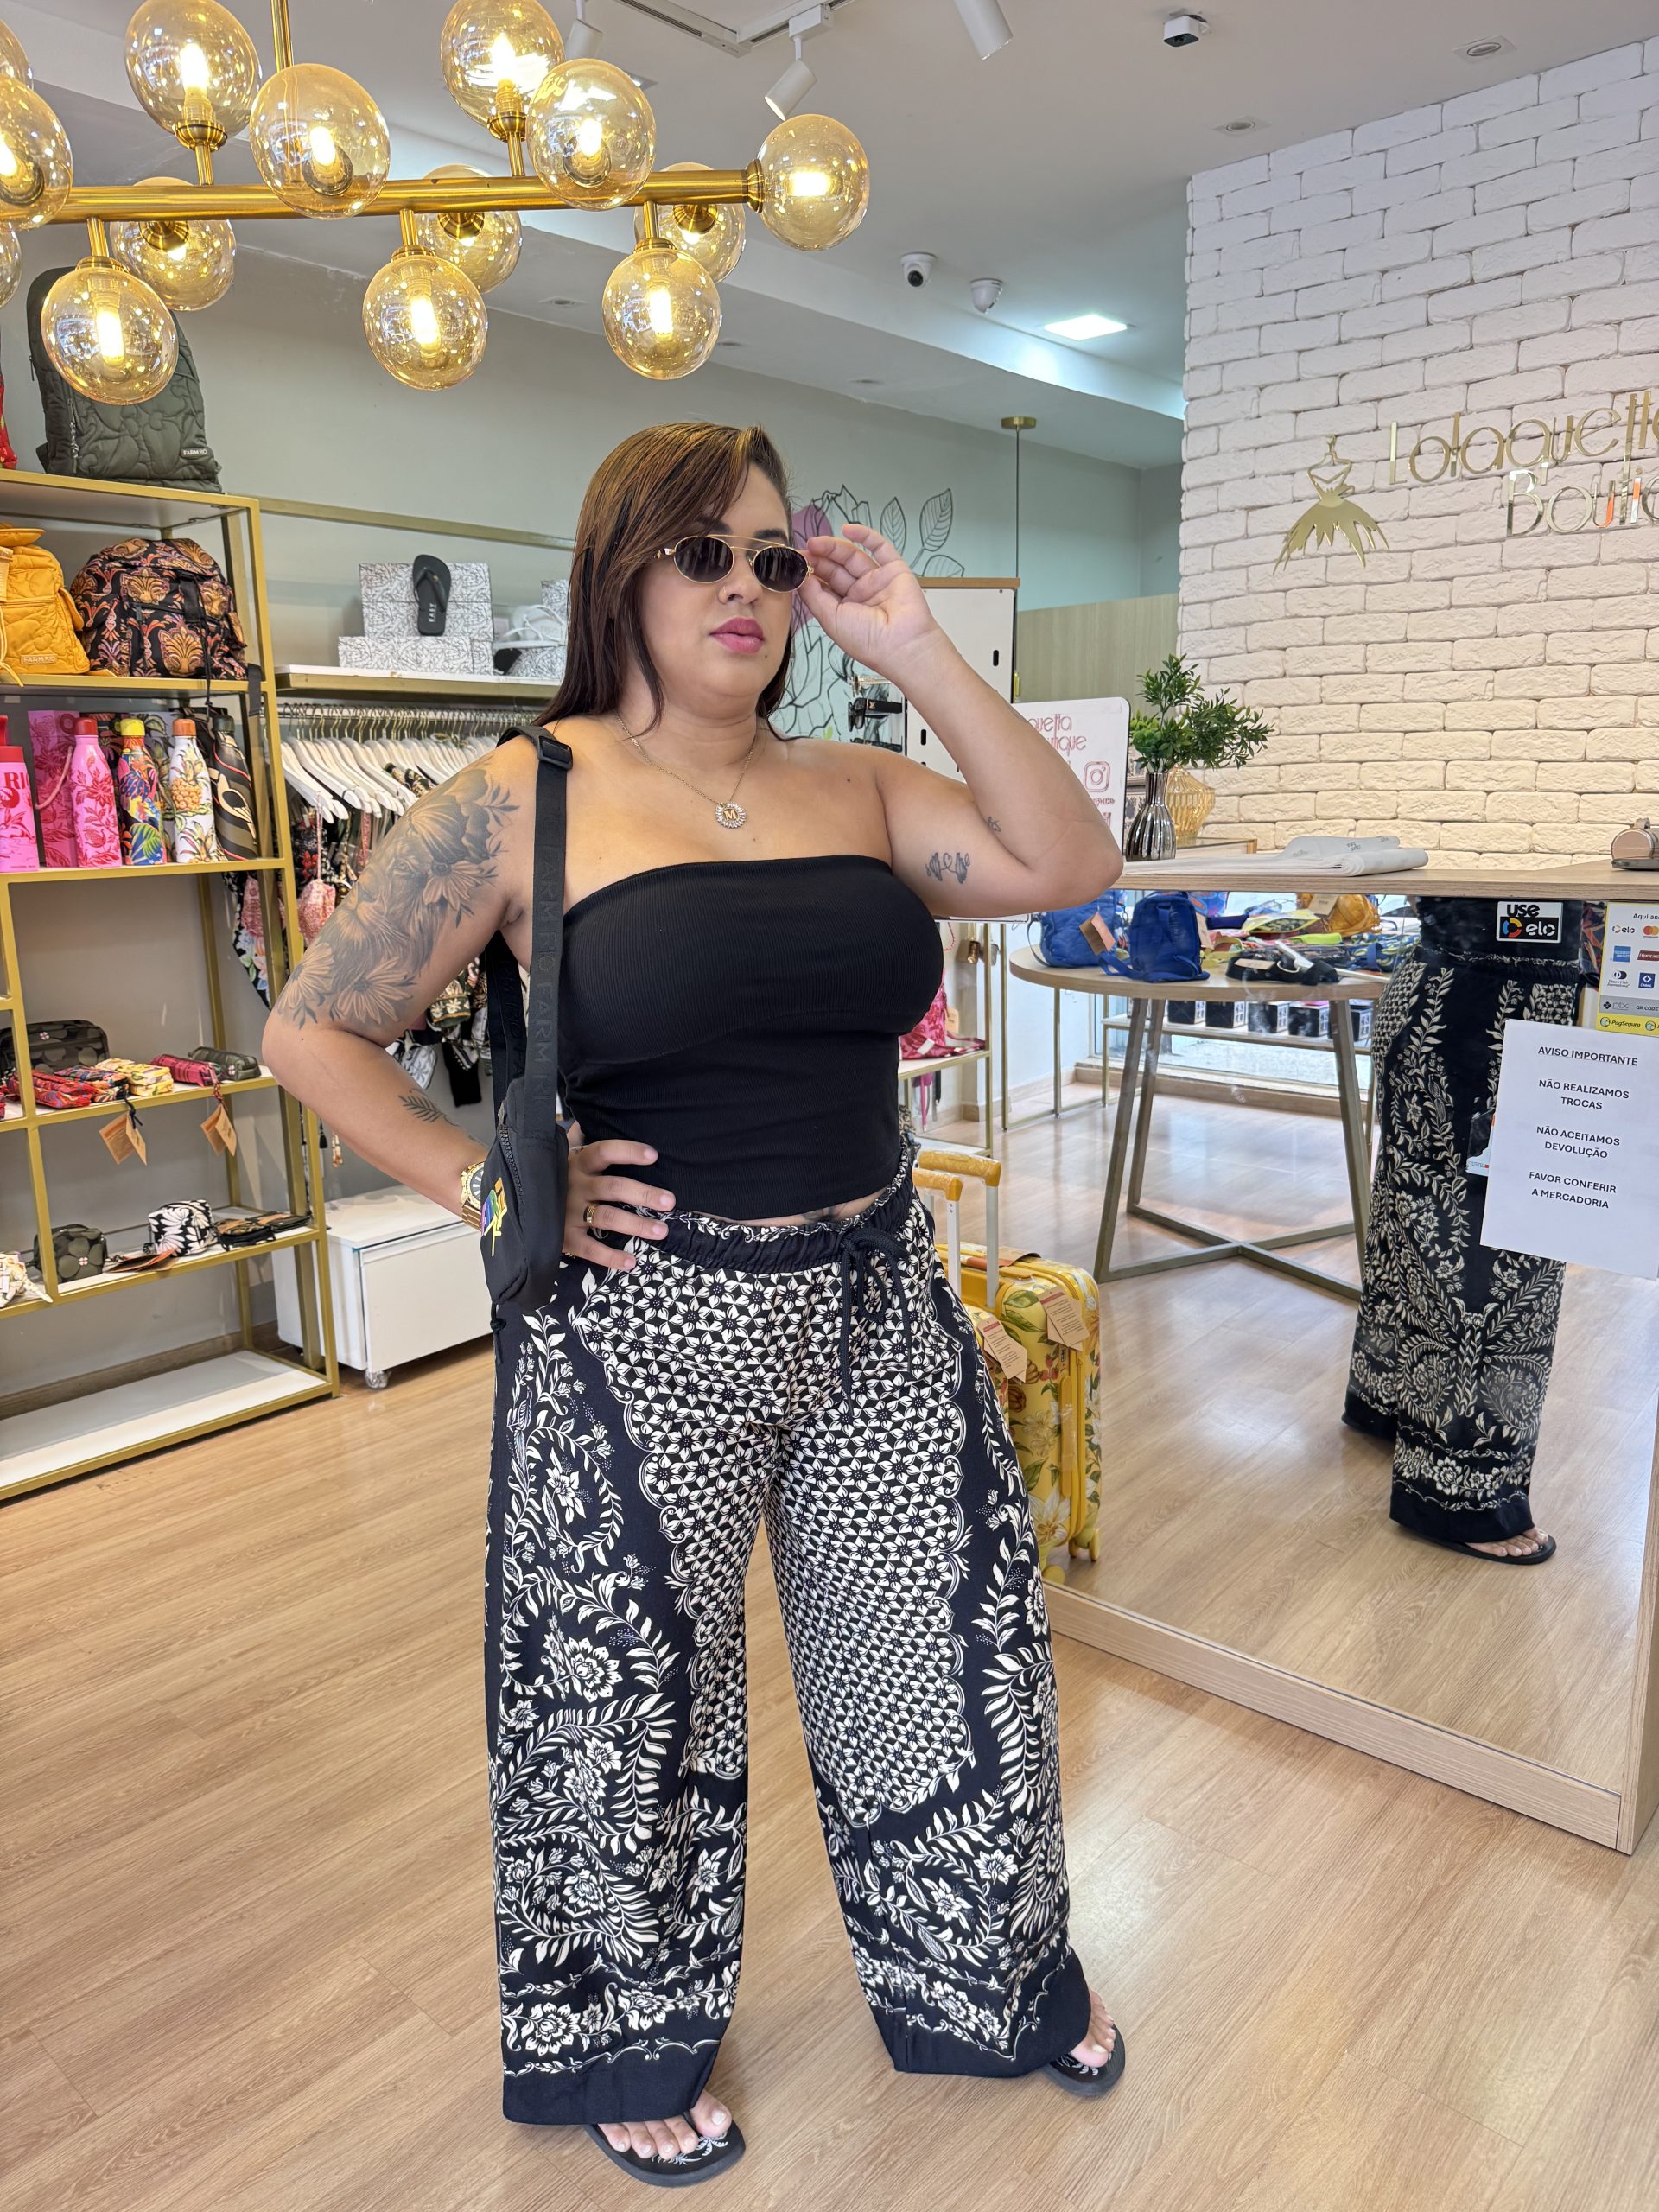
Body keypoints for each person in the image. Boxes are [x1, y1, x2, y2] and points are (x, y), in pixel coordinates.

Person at [264, 422, 1125, 2188]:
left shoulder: (859, 784)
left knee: (946, 1655)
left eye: (773, 558)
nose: (746, 587)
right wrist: (490, 1185)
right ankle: (617, 2032)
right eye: (702, 552)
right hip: (639, 1326)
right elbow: (313, 1030)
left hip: (876, 1297)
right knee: (626, 1701)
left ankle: (989, 1970)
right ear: (621, 571)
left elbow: (1069, 864)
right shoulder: (521, 796)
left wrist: (918, 651)